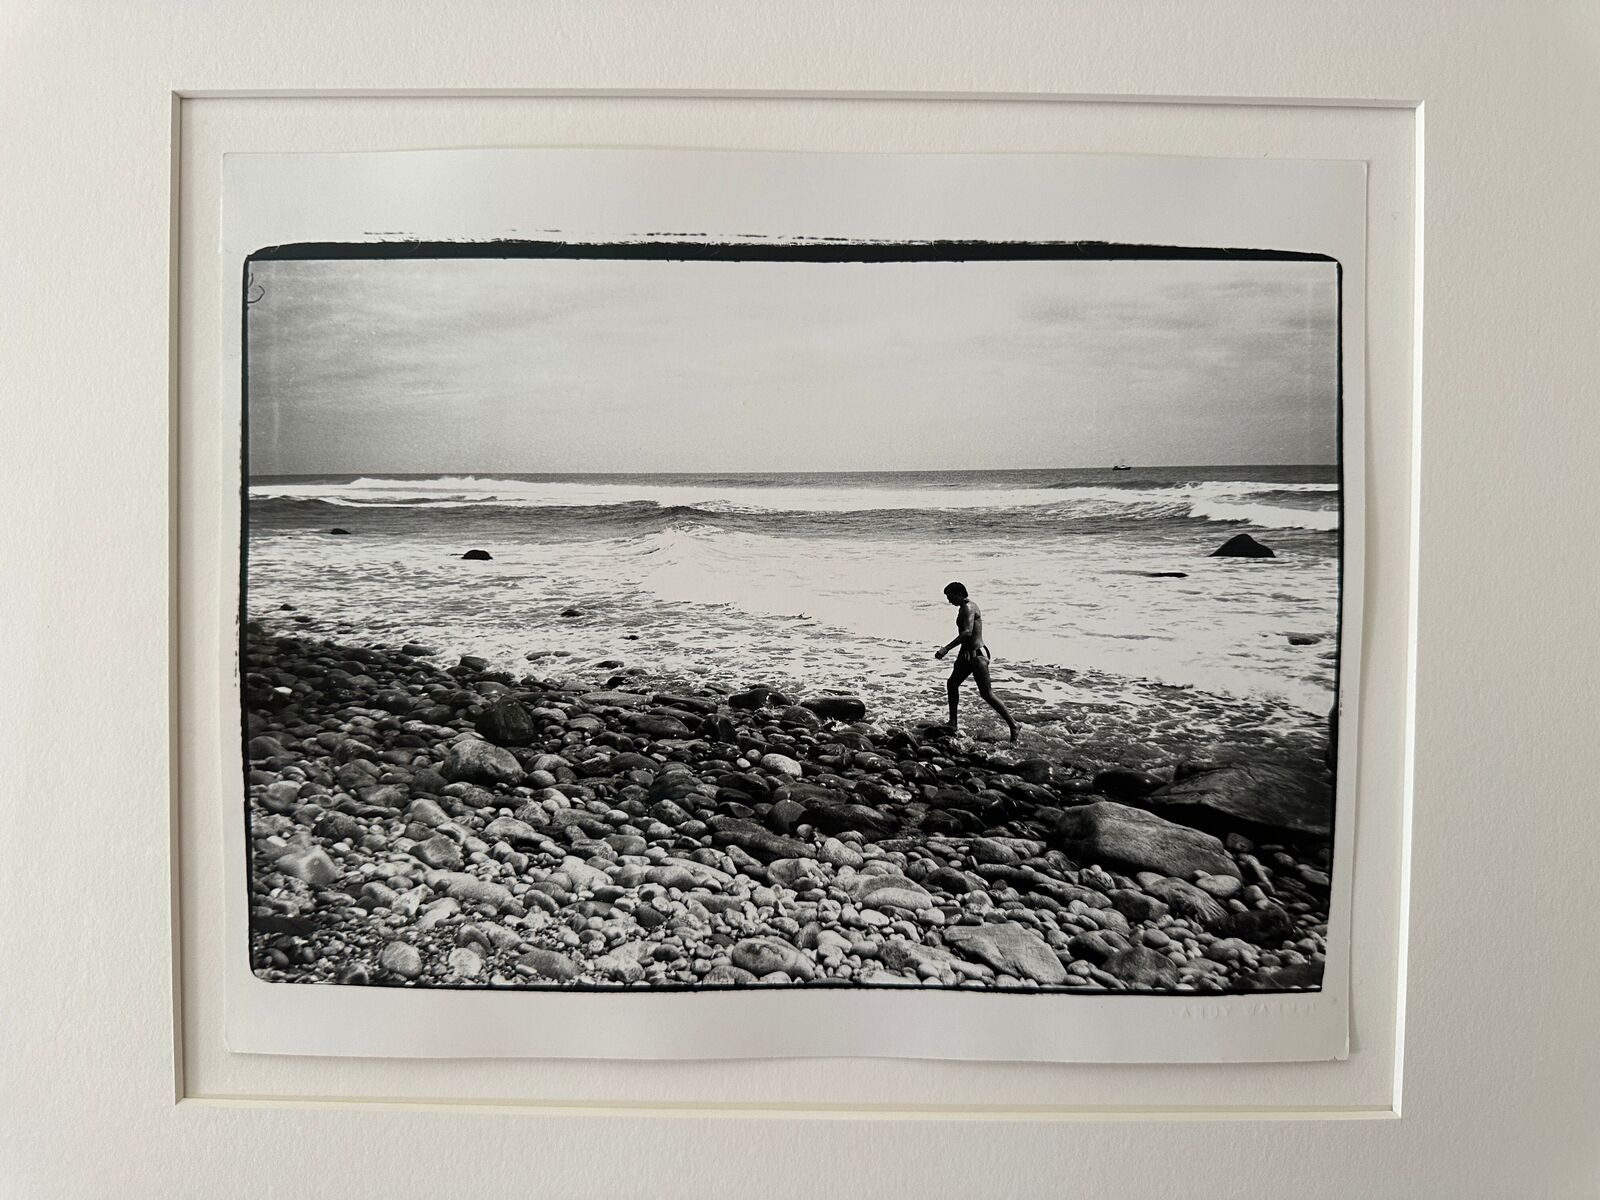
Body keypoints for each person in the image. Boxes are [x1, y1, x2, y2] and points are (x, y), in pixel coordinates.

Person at [935, 581, 1020, 742]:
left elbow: (967, 633)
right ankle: (953, 723)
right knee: (952, 684)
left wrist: (945, 649)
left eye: (950, 597)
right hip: (967, 654)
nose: (949, 601)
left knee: (986, 694)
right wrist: (960, 656)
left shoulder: (969, 607)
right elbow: (966, 636)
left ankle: (1014, 725)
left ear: (959, 594)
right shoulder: (962, 608)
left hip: (978, 655)